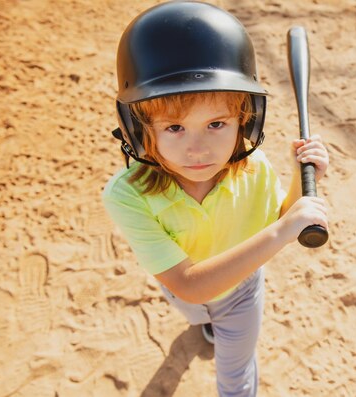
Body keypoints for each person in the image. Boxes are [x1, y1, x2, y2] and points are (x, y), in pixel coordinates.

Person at [102, 2, 329, 396]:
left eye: (216, 123)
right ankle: (205, 324)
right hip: (182, 292)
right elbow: (189, 284)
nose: (198, 150)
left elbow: (280, 215)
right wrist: (281, 232)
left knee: (236, 374)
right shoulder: (127, 196)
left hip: (241, 291)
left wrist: (301, 176)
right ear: (138, 130)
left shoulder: (253, 166)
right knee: (196, 311)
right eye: (174, 127)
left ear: (247, 119)